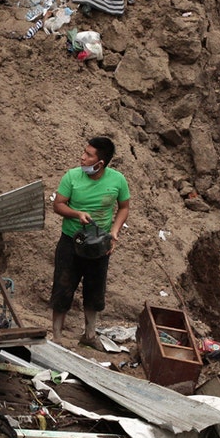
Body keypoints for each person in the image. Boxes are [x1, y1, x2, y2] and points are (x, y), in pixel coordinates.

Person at [51, 136, 131, 347]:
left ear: (100, 163)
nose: (82, 157)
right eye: (84, 152)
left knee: (95, 291)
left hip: (99, 244)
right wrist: (77, 214)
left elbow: (124, 207)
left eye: (88, 155)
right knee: (63, 287)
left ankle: (89, 336)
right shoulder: (72, 177)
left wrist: (114, 232)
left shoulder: (117, 180)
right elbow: (58, 205)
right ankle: (57, 337)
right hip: (71, 241)